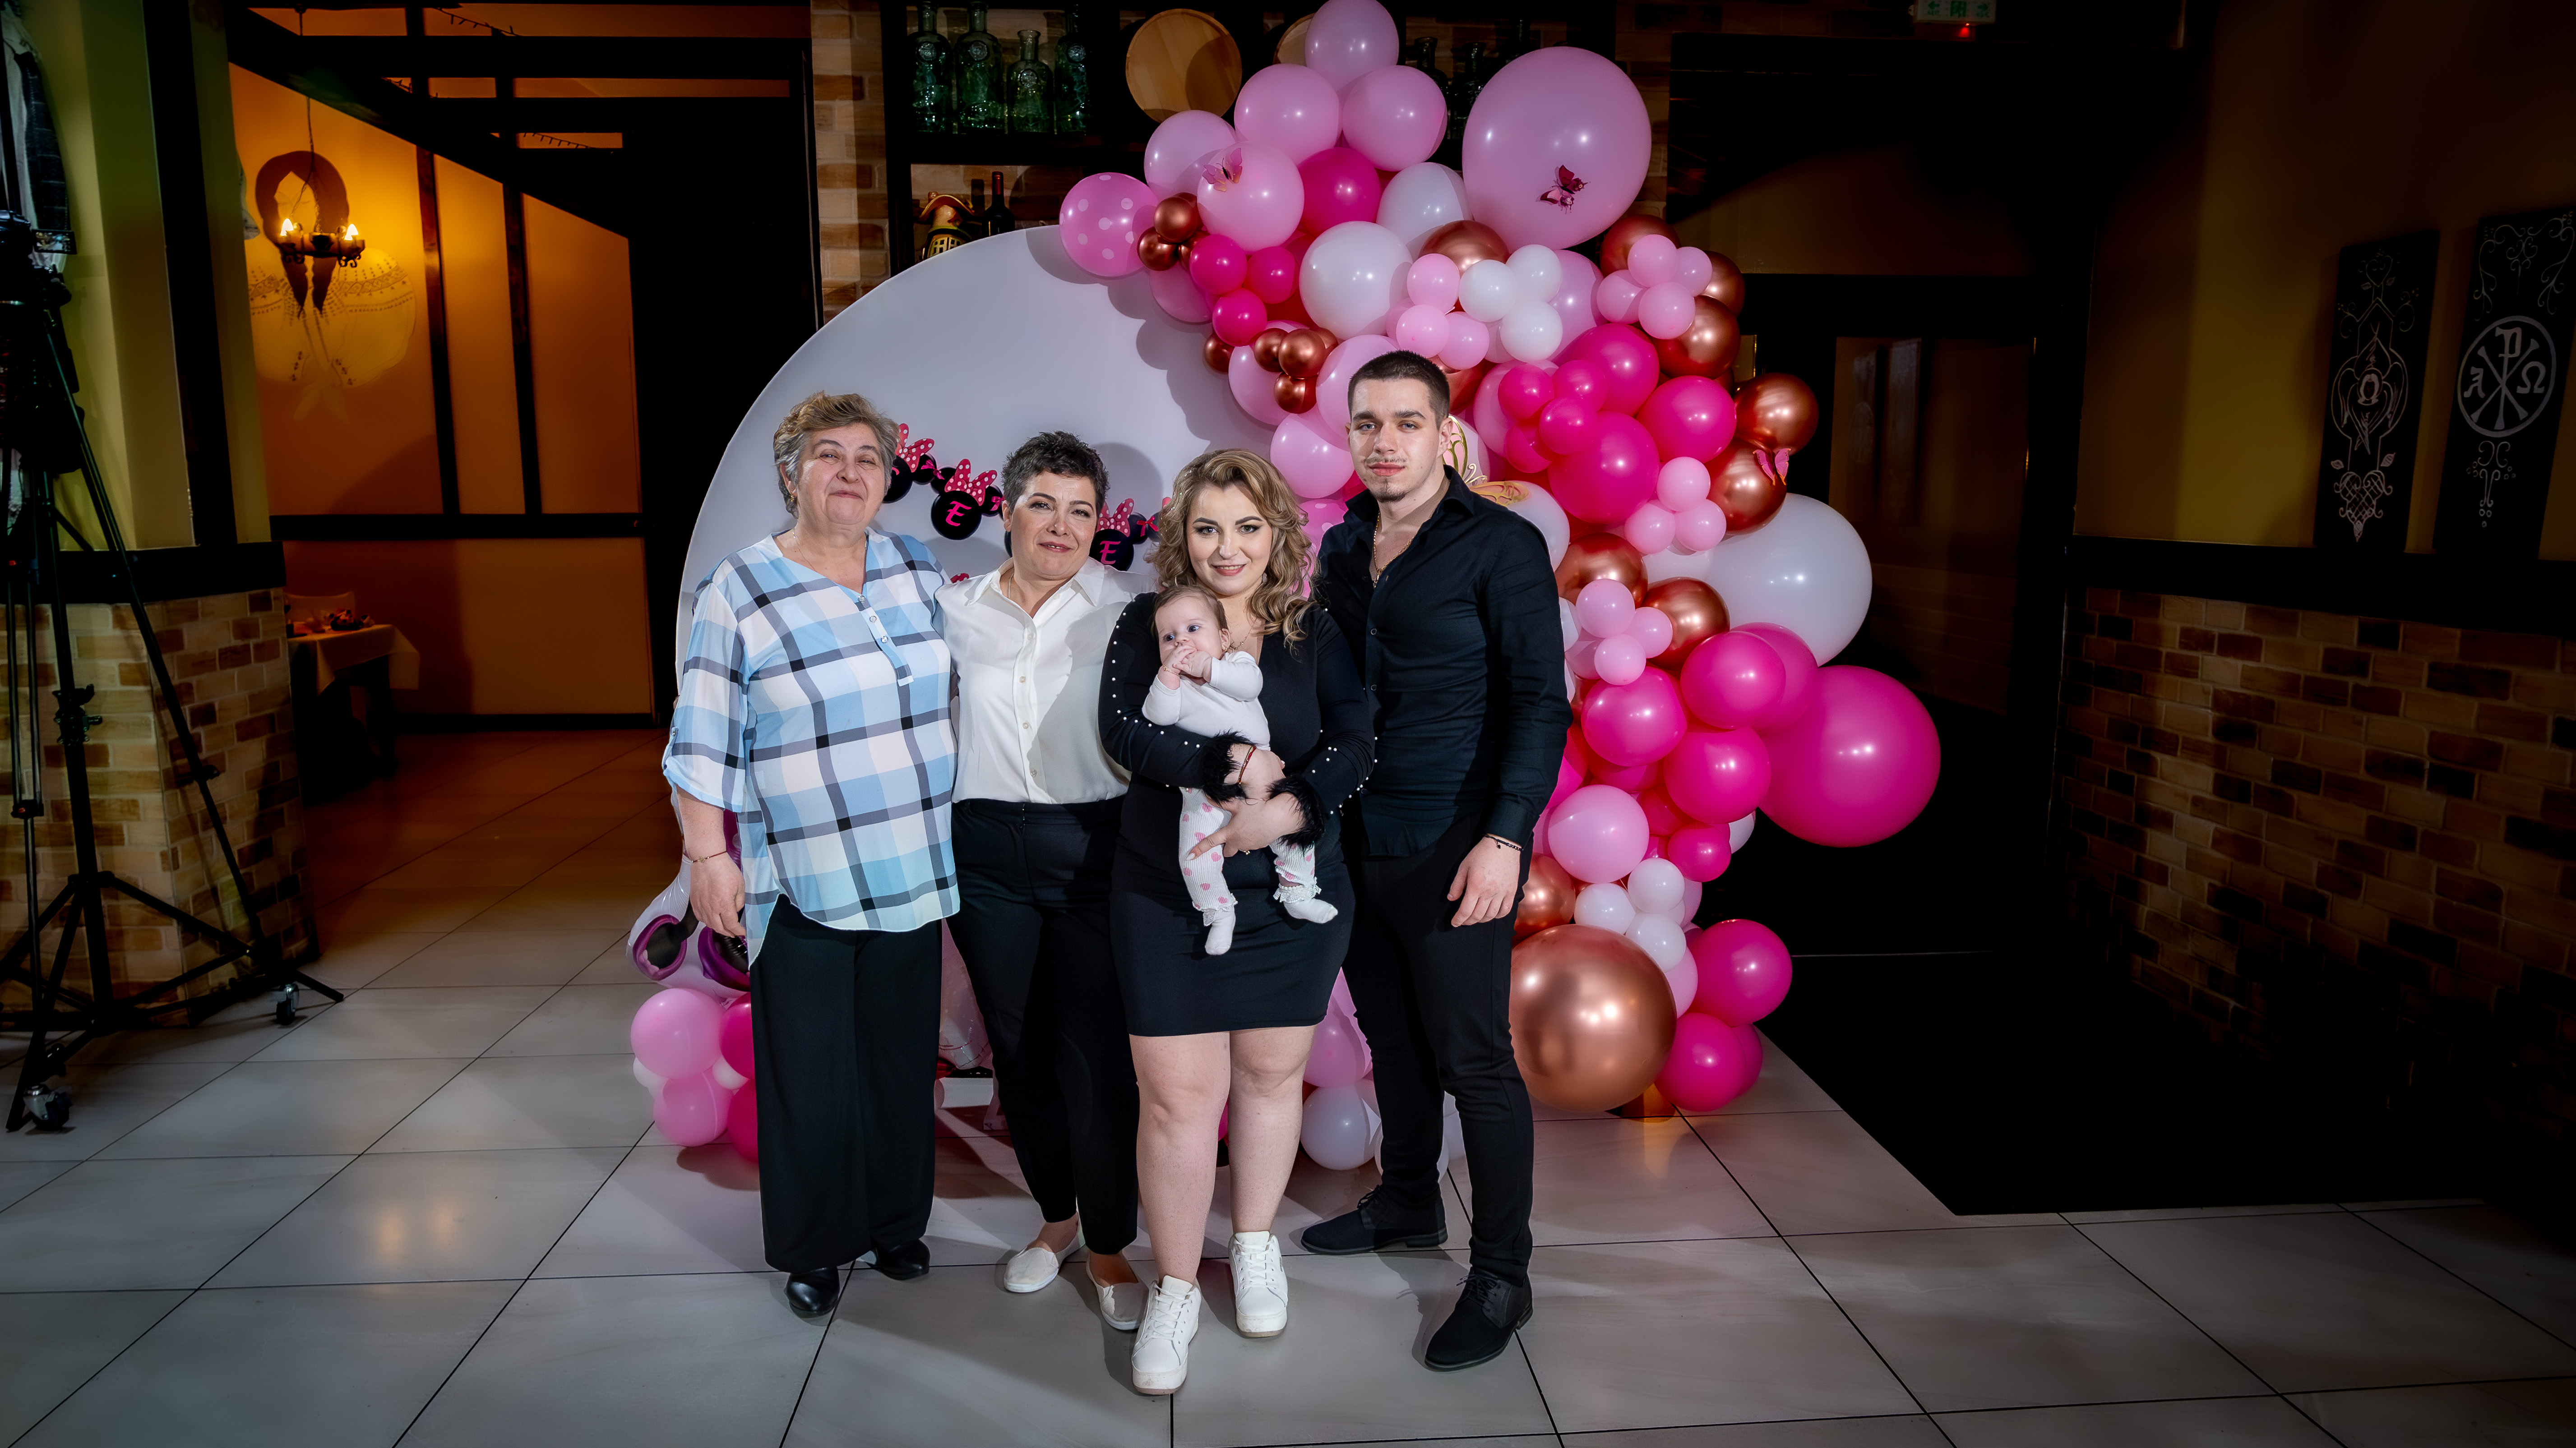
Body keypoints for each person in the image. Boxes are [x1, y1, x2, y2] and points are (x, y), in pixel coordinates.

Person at [665, 390, 957, 1320]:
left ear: (887, 478)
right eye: (828, 454)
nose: (849, 471)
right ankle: (816, 1246)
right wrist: (707, 858)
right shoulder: (741, 588)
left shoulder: (917, 568)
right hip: (803, 878)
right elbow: (701, 736)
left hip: (912, 866)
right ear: (790, 473)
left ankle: (896, 1223)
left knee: (898, 1066)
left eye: (867, 457)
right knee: (810, 1075)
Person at [1306, 350, 1572, 1370]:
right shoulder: (1342, 545)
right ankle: (1407, 1198)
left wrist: (1505, 836)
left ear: (1443, 433)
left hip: (1456, 841)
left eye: (1405, 422)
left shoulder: (1500, 544)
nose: (1384, 442)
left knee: (1474, 1059)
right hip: (1356, 836)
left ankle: (1503, 1274)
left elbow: (1537, 701)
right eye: (1366, 423)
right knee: (1391, 1037)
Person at [1098, 449, 1373, 1395]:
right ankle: (1176, 1287)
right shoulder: (1150, 620)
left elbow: (1354, 741)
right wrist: (1233, 766)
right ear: (1183, 534)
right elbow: (1127, 734)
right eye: (1208, 527)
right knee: (1177, 1101)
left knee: (1268, 1075)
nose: (1227, 547)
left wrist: (1285, 811)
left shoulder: (1312, 628)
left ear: (1275, 533)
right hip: (1166, 892)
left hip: (1289, 889)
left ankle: (1254, 1244)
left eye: (1247, 527)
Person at [936, 432, 1148, 1330]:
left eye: (1079, 511)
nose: (1060, 526)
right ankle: (1055, 1218)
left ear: (1098, 523)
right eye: (1042, 506)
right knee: (1017, 1051)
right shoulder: (953, 611)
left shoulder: (1128, 612)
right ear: (1007, 509)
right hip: (984, 850)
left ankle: (1109, 1243)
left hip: (1091, 846)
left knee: (1093, 1055)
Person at [1141, 582, 1341, 954]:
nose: (1181, 641)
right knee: (1195, 852)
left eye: (1193, 629)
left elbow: (1249, 687)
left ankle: (1298, 891)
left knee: (1294, 828)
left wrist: (1209, 667)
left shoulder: (1236, 663)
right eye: (1169, 637)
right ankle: (1218, 911)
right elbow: (1158, 716)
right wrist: (1167, 676)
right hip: (1203, 785)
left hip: (1263, 771)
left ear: (1223, 637)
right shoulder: (1174, 685)